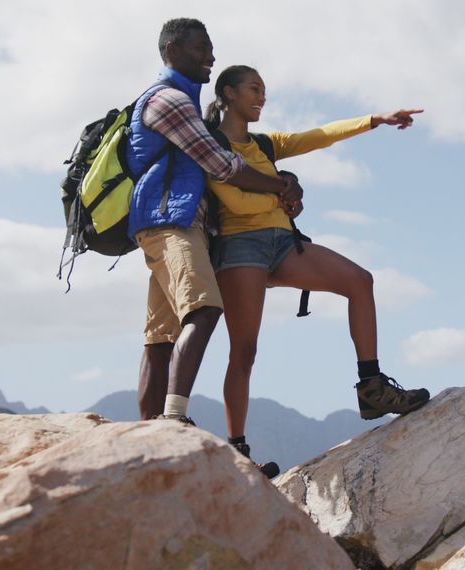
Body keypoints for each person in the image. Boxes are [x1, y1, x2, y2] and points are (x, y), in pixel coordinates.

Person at [203, 64, 430, 467]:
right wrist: (283, 192)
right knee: (244, 351)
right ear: (228, 93)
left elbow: (320, 135)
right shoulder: (210, 145)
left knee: (360, 281)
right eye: (254, 89)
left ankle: (372, 388)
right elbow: (236, 203)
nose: (261, 97)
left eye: (264, 90)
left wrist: (376, 119)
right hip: (239, 248)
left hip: (283, 243)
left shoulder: (265, 144)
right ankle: (238, 451)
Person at [129, 20, 302, 474]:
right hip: (171, 222)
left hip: (174, 223)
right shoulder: (169, 101)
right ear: (172, 49)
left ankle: (148, 443)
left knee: (161, 337)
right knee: (204, 308)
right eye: (201, 48)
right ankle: (173, 418)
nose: (210, 56)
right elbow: (220, 164)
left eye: (211, 48)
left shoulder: (182, 100)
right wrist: (279, 184)